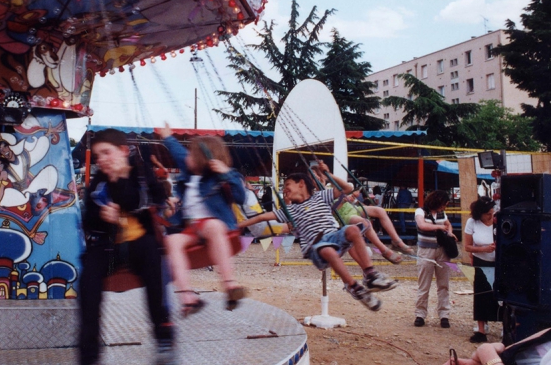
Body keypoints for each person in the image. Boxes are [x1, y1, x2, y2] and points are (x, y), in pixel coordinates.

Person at [79, 129, 176, 365]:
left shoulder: (141, 174)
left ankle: (163, 337)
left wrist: (120, 179)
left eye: (107, 153)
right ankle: (89, 355)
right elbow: (87, 220)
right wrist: (102, 216)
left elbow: (144, 201)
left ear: (123, 151)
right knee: (88, 283)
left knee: (155, 275)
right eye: (99, 155)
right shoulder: (98, 182)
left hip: (139, 244)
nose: (102, 160)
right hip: (110, 250)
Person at [238, 171, 397, 311]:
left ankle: (370, 275)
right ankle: (353, 287)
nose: (285, 189)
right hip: (315, 247)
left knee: (354, 229)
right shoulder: (290, 211)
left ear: (301, 184)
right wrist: (240, 224)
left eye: (288, 185)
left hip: (333, 235)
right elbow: (262, 217)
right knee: (327, 250)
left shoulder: (321, 196)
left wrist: (328, 173)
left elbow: (347, 188)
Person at [157, 124, 247, 315]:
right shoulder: (189, 174)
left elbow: (240, 197)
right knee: (171, 241)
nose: (186, 157)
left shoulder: (219, 177)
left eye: (191, 154)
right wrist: (167, 137)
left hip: (212, 224)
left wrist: (226, 173)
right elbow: (178, 153)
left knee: (214, 226)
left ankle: (230, 285)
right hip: (191, 228)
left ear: (203, 158)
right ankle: (188, 297)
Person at [311, 161, 415, 260]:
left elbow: (347, 188)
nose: (319, 179)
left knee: (380, 211)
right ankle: (383, 249)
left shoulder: (330, 186)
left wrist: (350, 196)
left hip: (352, 208)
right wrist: (343, 201)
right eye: (315, 178)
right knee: (365, 222)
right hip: (342, 216)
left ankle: (397, 241)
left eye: (320, 176)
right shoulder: (316, 195)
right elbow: (330, 213)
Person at [414, 189, 456, 328]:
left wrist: (449, 232)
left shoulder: (442, 213)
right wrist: (441, 227)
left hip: (442, 251)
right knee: (424, 284)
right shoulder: (420, 211)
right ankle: (420, 314)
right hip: (426, 251)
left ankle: (444, 315)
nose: (444, 207)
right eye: (443, 204)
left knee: (443, 284)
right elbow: (422, 225)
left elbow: (448, 224)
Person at [464, 196, 498, 343]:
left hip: (500, 262)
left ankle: (505, 326)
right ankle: (481, 330)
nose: (491, 216)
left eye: (492, 213)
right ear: (480, 214)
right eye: (488, 214)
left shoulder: (498, 220)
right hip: (481, 261)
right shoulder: (472, 222)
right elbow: (467, 247)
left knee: (501, 295)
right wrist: (485, 249)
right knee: (481, 294)